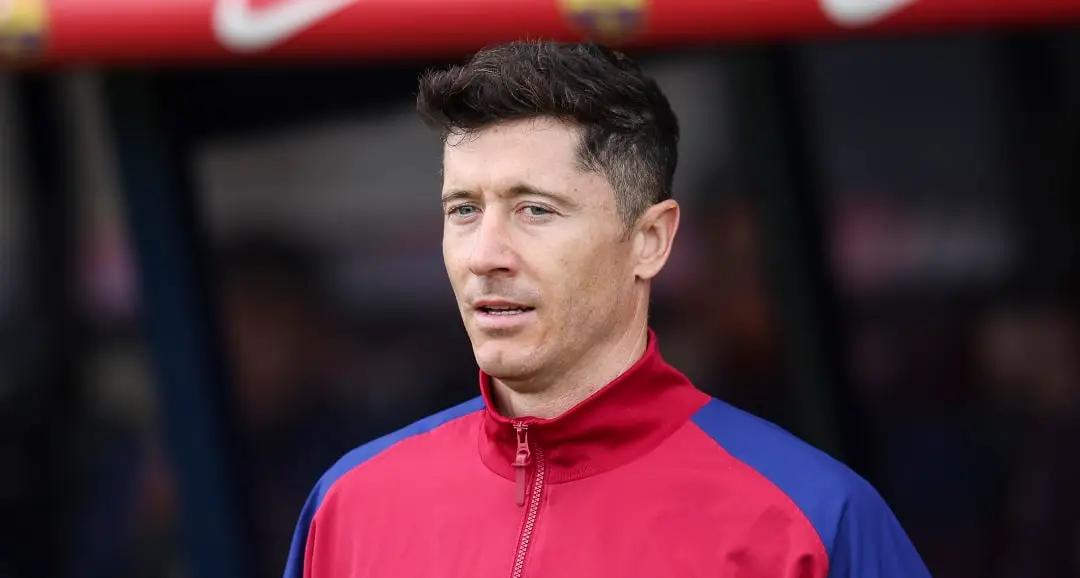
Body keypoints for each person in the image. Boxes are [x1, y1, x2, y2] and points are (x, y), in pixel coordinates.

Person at [283, 41, 931, 578]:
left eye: (535, 209)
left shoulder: (810, 520)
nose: (484, 255)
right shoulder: (350, 506)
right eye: (464, 210)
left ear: (650, 240)